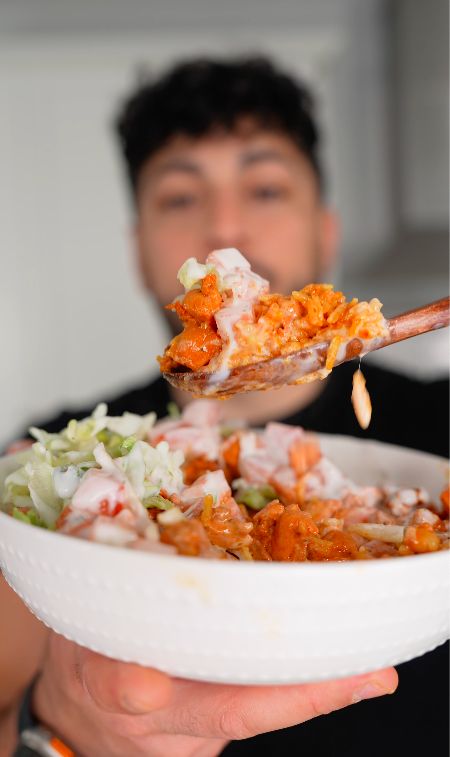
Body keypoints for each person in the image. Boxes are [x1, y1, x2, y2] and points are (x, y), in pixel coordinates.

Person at [1, 58, 448, 757]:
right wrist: (55, 727)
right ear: (139, 251)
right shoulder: (52, 473)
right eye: (180, 198)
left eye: (265, 187)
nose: (226, 227)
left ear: (325, 229)